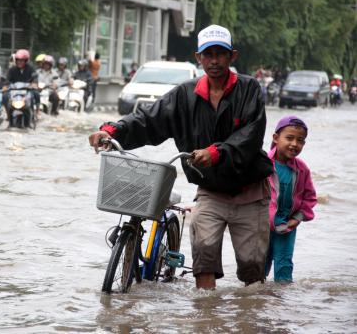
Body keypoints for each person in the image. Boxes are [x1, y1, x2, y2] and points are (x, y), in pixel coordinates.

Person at [88, 24, 273, 289]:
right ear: (199, 58)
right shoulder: (184, 95)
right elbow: (148, 119)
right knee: (204, 256)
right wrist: (111, 130)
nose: (214, 60)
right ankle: (205, 320)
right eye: (208, 54)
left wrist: (216, 153)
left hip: (251, 192)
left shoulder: (249, 89)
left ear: (232, 56)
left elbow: (251, 135)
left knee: (251, 269)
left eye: (220, 54)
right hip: (211, 191)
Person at [265, 116, 317, 283]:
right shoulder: (263, 164)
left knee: (284, 267)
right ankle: (255, 304)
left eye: (300, 140)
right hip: (261, 227)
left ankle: (282, 306)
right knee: (257, 268)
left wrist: (298, 218)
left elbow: (310, 197)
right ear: (275, 138)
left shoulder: (302, 169)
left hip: (287, 226)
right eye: (289, 138)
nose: (295, 144)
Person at [3, 49, 38, 121]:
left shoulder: (31, 69)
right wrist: (5, 86)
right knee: (5, 96)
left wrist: (34, 84)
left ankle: (35, 113)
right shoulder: (12, 69)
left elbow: (34, 78)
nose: (19, 62)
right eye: (18, 60)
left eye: (22, 60)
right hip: (14, 91)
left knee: (36, 94)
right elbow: (7, 80)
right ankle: (8, 115)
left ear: (26, 61)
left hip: (27, 91)